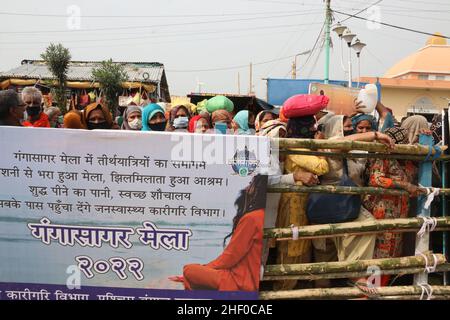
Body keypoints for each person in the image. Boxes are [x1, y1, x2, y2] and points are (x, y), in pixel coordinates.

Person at [315, 114, 394, 288]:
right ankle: (355, 274)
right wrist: (375, 135)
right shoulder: (332, 145)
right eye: (349, 126)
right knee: (366, 225)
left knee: (330, 254)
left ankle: (353, 276)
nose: (351, 128)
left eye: (352, 126)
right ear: (337, 129)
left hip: (340, 204)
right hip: (334, 202)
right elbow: (346, 141)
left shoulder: (346, 151)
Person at [181, 175, 267, 291]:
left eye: (251, 184)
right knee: (194, 270)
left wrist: (206, 267)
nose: (247, 188)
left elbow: (231, 256)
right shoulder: (263, 215)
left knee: (188, 269)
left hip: (239, 280)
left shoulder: (252, 218)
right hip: (248, 276)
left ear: (258, 189)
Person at [274, 115, 329, 290]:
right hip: (293, 203)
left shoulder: (303, 145)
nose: (314, 129)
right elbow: (322, 167)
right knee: (291, 246)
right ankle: (281, 290)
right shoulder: (295, 145)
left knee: (300, 245)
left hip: (303, 202)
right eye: (310, 126)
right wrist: (321, 146)